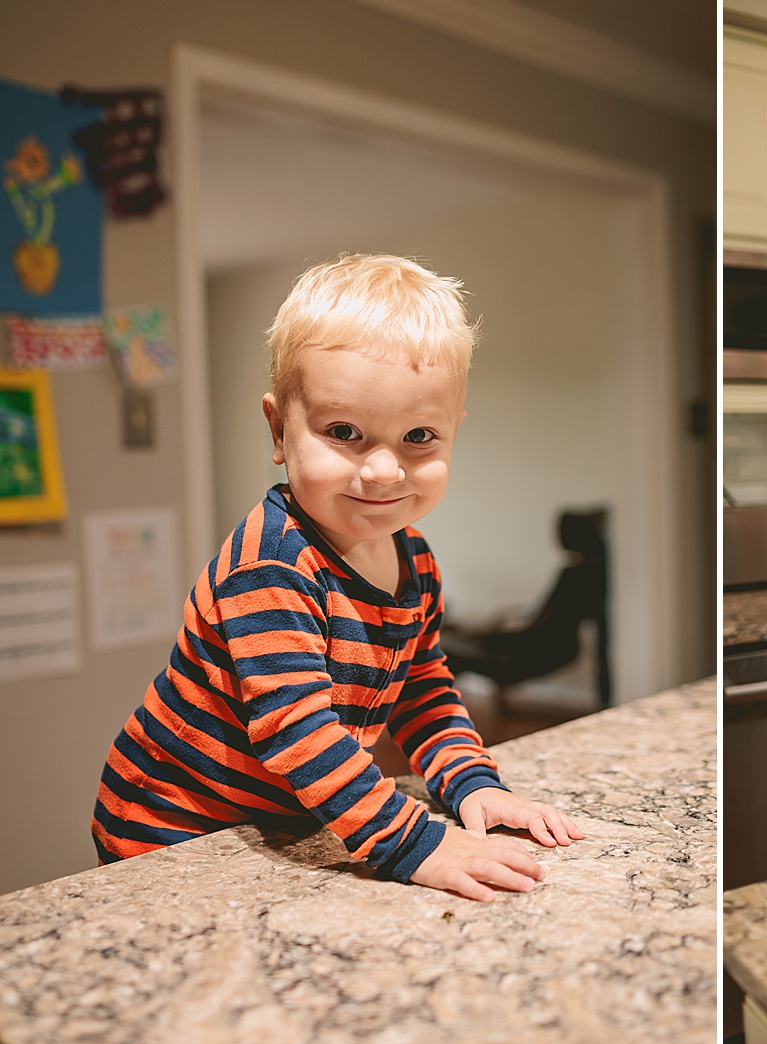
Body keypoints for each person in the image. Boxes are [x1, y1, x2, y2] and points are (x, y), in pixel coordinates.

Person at [92, 253, 584, 902]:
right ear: (278, 427)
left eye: (419, 437)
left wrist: (474, 784)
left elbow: (422, 685)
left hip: (281, 822)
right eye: (346, 432)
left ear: (452, 434)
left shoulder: (416, 560)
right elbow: (299, 729)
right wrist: (415, 844)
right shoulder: (271, 567)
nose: (383, 471)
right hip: (168, 827)